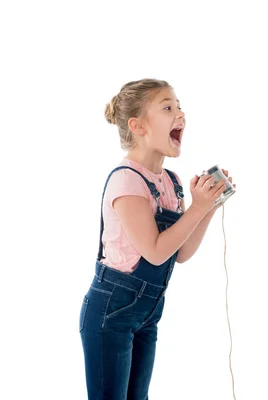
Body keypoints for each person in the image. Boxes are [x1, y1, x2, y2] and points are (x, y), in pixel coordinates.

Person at [79, 79, 234, 399]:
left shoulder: (171, 182)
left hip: (147, 313)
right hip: (111, 312)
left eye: (179, 107)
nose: (180, 114)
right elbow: (154, 252)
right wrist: (198, 209)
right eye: (167, 107)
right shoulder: (127, 180)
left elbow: (180, 252)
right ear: (138, 126)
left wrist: (207, 208)